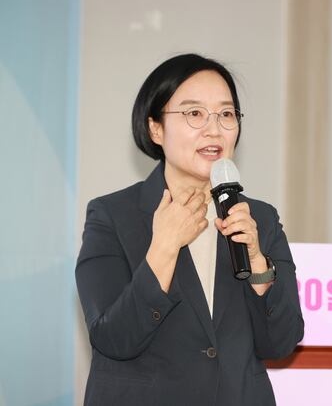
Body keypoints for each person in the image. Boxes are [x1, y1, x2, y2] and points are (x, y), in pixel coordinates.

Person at [75, 53, 304, 406]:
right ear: (155, 128)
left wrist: (258, 265)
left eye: (226, 114)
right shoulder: (112, 215)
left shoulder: (260, 218)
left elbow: (281, 343)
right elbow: (113, 339)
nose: (214, 129)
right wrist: (163, 248)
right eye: (194, 113)